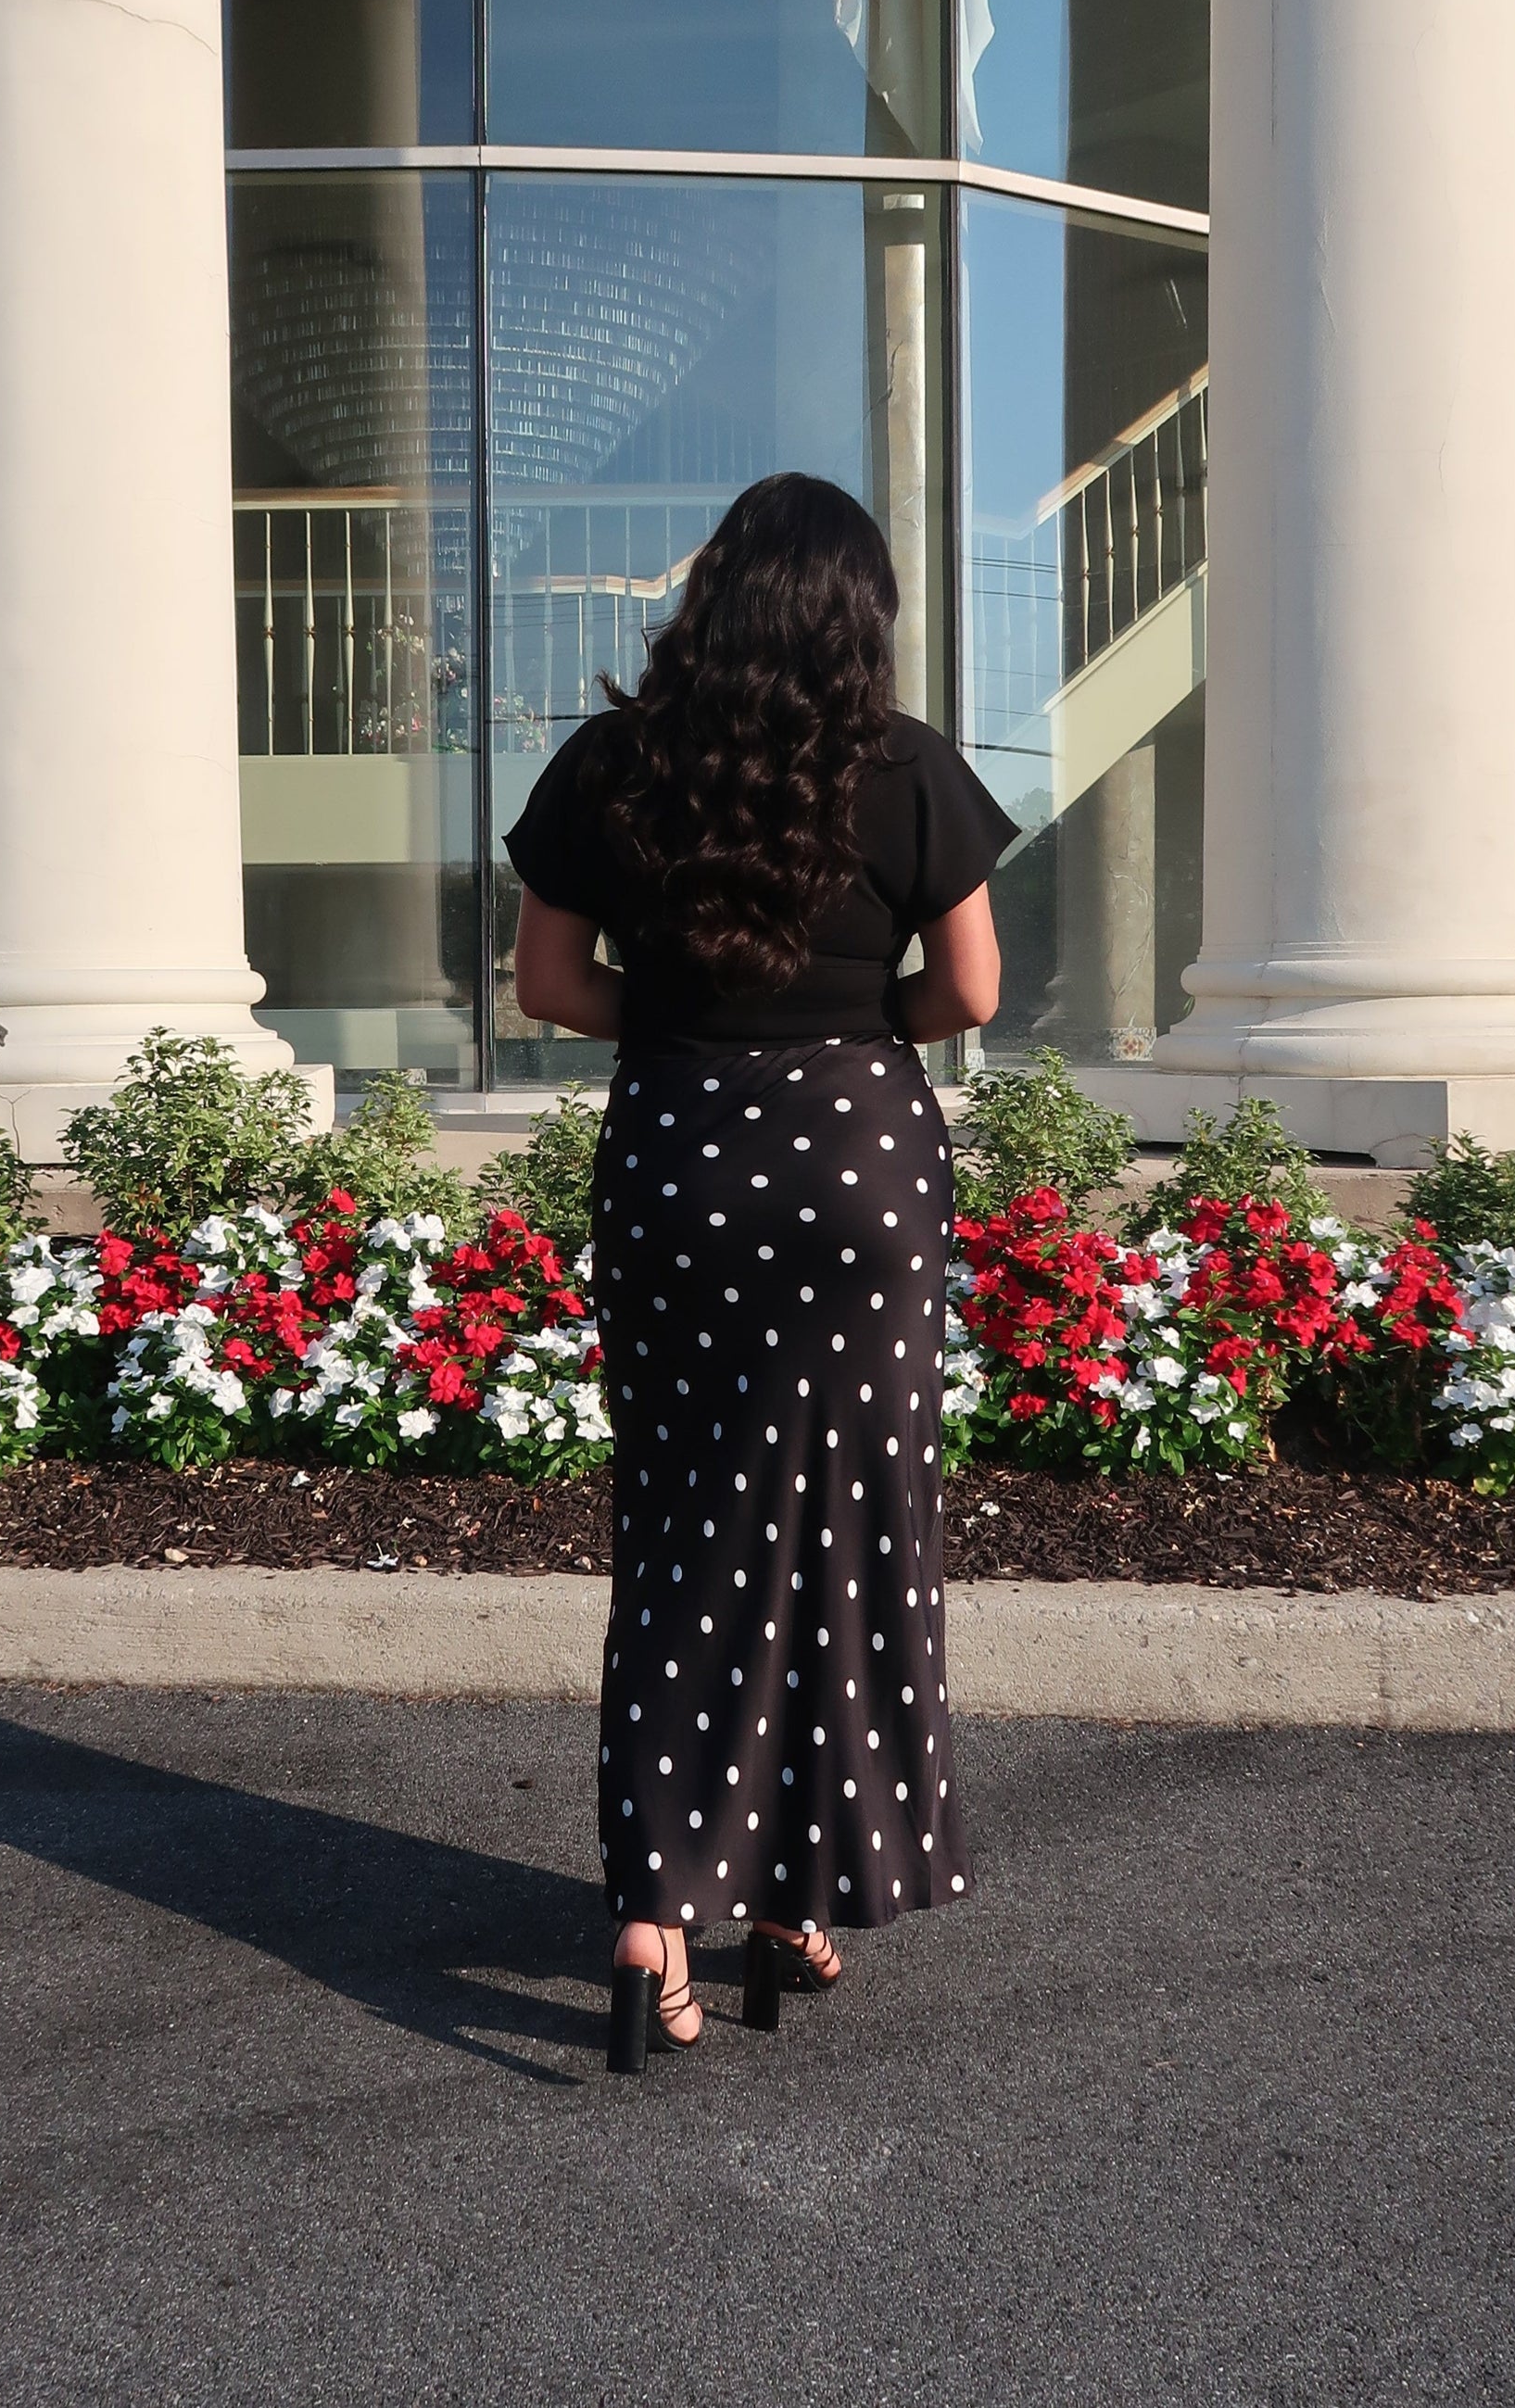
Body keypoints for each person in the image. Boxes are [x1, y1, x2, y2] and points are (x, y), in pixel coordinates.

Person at [505, 473, 1016, 2074]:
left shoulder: (609, 765)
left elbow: (546, 983)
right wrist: (852, 1039)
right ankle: (801, 1884)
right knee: (844, 1528)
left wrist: (679, 1031)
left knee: (684, 1523)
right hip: (855, 1167)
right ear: (857, 615)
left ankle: (657, 1907)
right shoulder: (907, 769)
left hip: (677, 1165)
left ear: (709, 592)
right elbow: (972, 987)